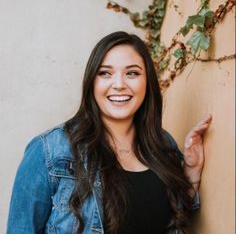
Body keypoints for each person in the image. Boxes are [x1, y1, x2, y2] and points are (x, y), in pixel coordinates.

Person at [7, 31, 212, 234]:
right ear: (92, 82)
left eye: (132, 73)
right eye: (105, 73)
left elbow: (176, 214)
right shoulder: (49, 150)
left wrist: (191, 171)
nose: (119, 84)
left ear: (147, 82)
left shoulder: (162, 143)